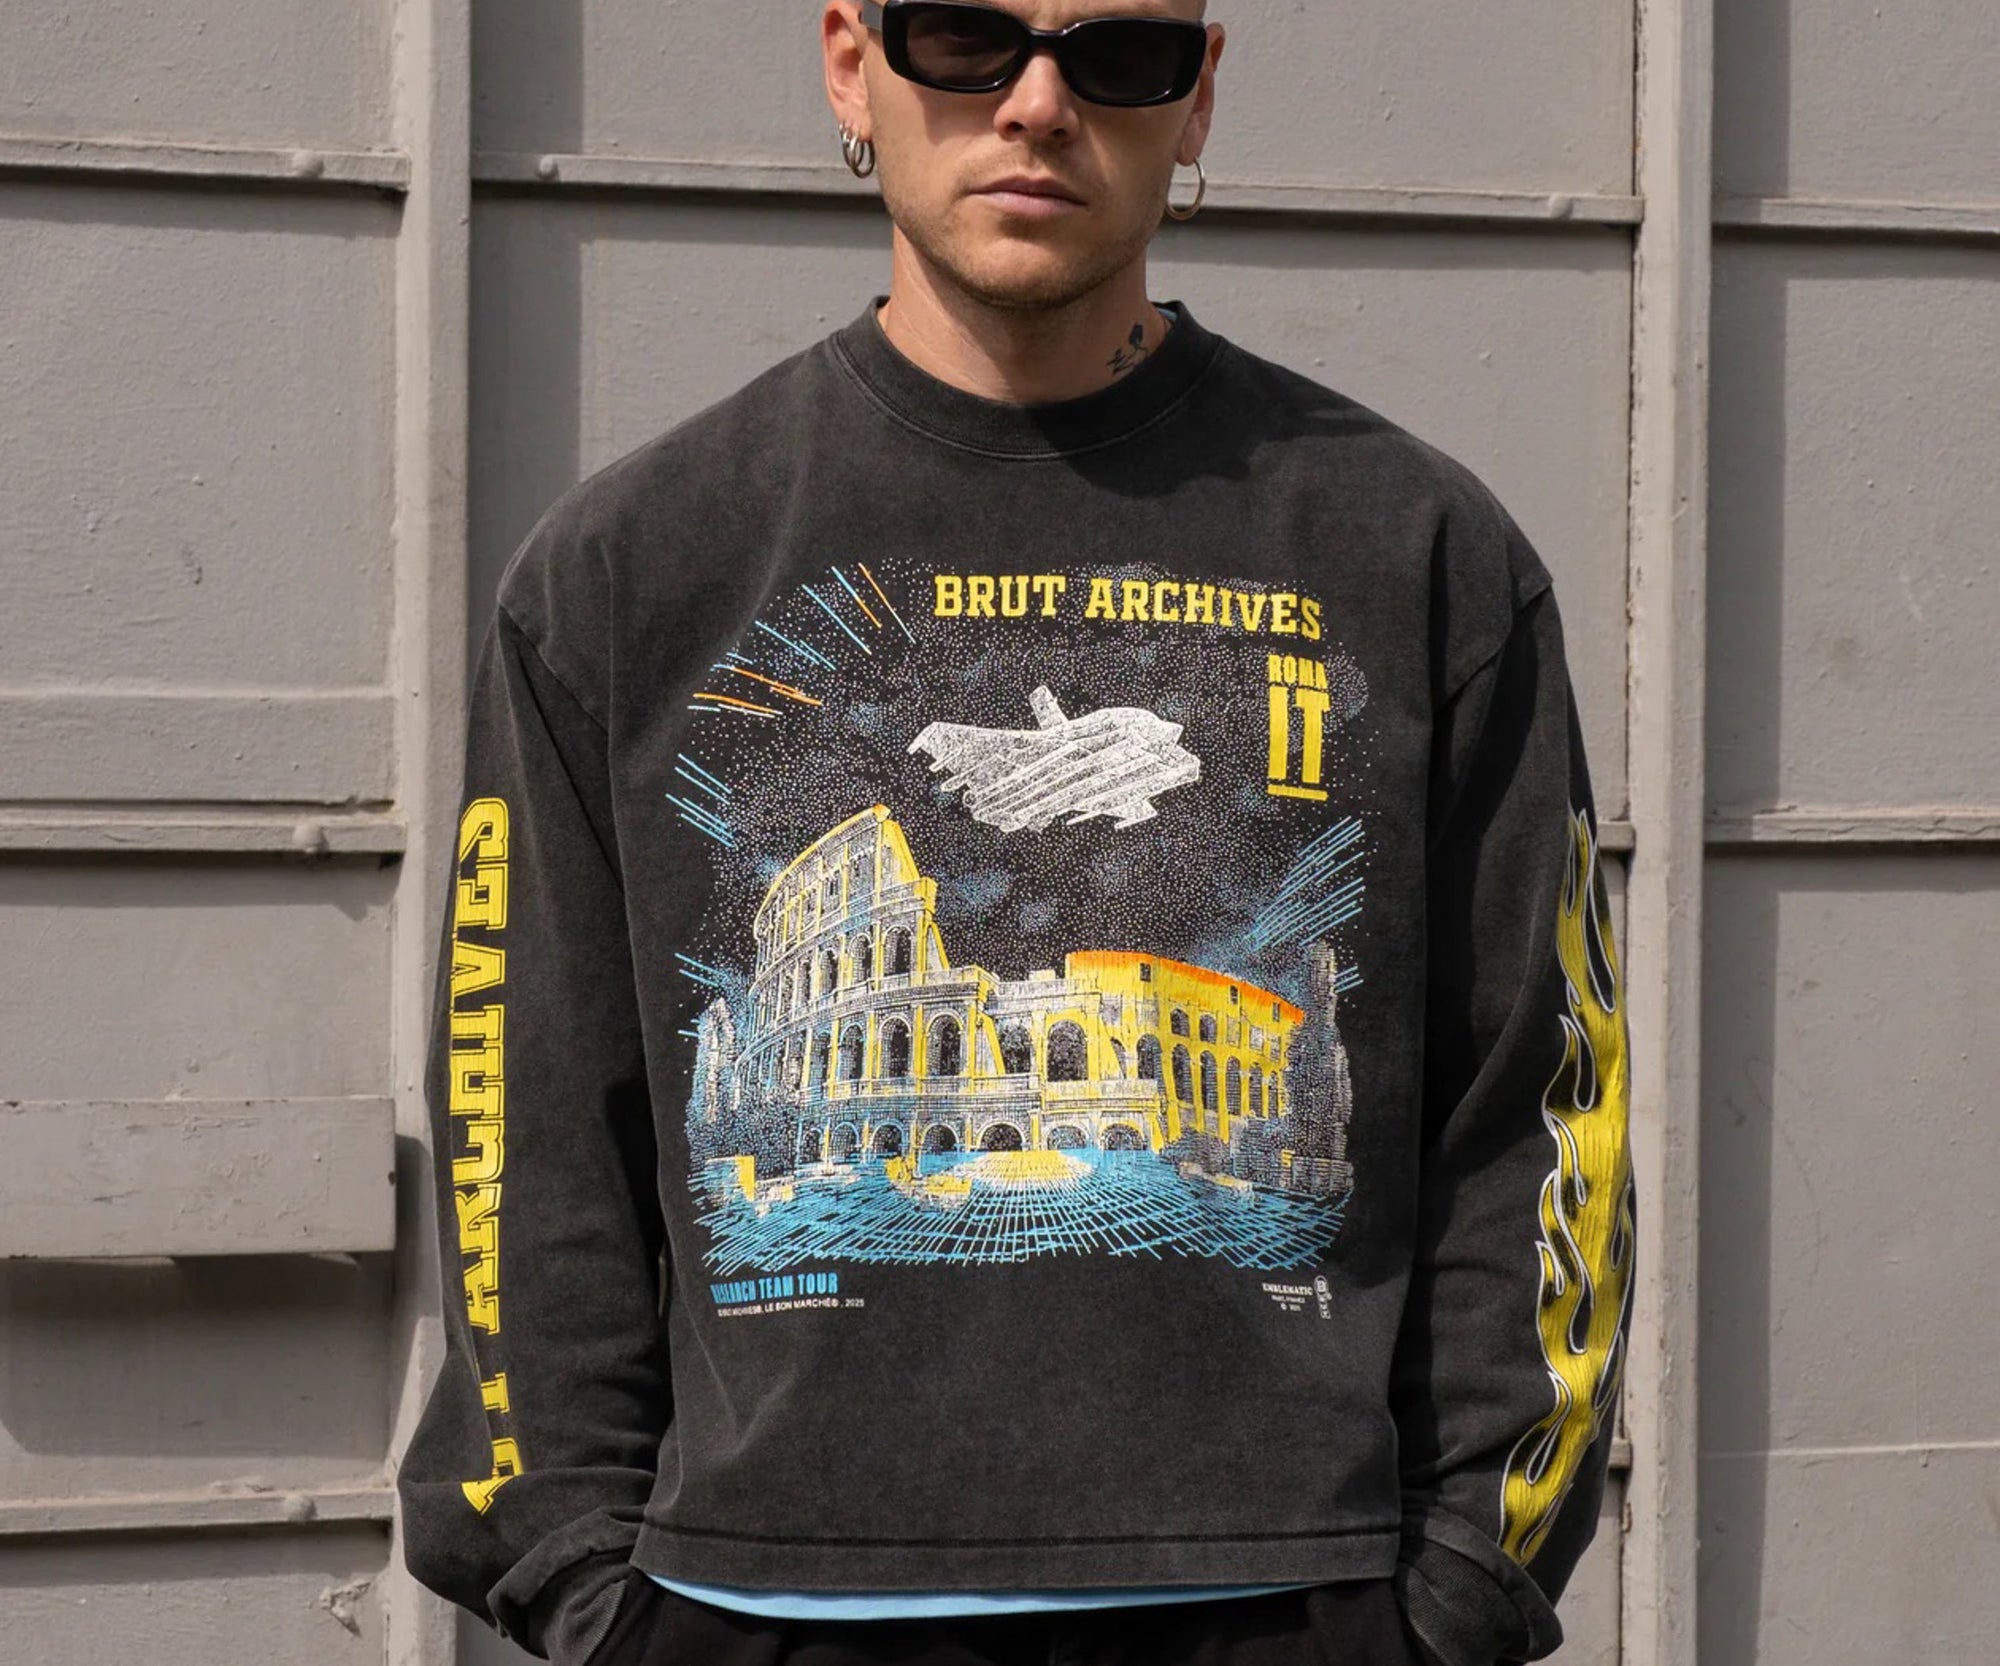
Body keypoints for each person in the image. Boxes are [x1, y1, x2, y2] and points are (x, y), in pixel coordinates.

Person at [397, 3, 1636, 1664]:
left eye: (1115, 54)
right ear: (853, 62)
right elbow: (523, 1111)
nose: (1038, 103)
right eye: (965, 37)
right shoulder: (633, 568)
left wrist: (1462, 1582)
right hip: (759, 1608)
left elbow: (1544, 1096)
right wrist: (580, 1574)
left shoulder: (1415, 551)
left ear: (1197, 97)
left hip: (1291, 1602)